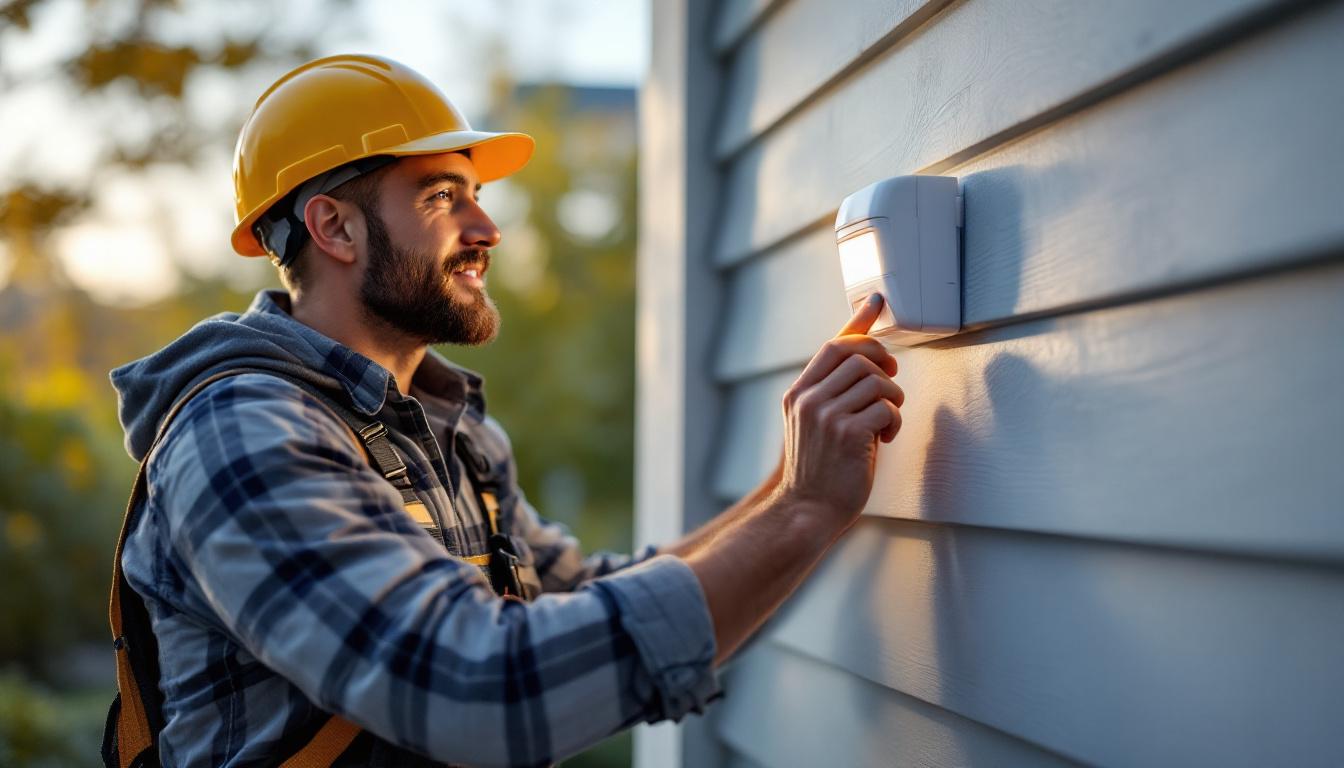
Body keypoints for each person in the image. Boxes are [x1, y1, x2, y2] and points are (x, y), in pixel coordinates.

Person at [107, 54, 904, 767]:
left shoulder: (450, 433)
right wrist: (801, 511)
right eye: (442, 195)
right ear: (335, 227)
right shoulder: (243, 433)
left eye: (476, 195)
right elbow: (479, 690)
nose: (487, 227)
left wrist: (789, 485)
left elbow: (582, 599)